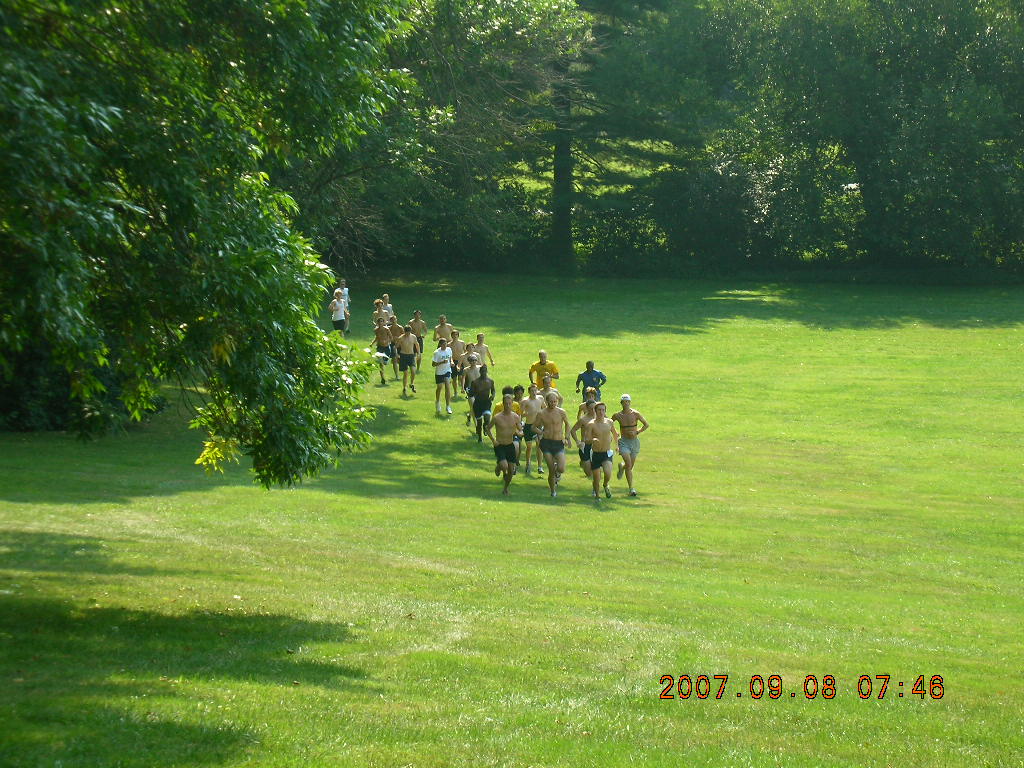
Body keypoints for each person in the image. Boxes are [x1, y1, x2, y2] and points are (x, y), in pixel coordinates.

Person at [533, 391, 570, 497]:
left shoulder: (561, 412)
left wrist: (566, 437)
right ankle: (553, 491)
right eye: (551, 401)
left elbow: (567, 424)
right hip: (546, 443)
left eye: (555, 401)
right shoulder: (541, 413)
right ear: (546, 401)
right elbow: (533, 427)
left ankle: (558, 473)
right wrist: (541, 432)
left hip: (558, 442)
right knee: (551, 469)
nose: (553, 403)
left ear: (557, 401)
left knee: (561, 468)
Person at [486, 389, 523, 496]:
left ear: (512, 404)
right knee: (505, 466)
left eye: (509, 403)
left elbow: (520, 430)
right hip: (500, 445)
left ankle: (505, 488)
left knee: (511, 470)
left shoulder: (515, 417)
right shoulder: (497, 417)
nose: (508, 406)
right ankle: (499, 466)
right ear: (503, 404)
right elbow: (488, 429)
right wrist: (493, 440)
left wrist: (518, 433)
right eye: (506, 404)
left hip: (510, 445)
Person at [612, 393, 650, 497]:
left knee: (629, 466)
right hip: (623, 442)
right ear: (621, 403)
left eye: (627, 402)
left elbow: (646, 425)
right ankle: (631, 488)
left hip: (634, 442)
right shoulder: (617, 415)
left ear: (630, 402)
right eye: (624, 402)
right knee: (629, 464)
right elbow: (609, 423)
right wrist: (615, 432)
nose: (626, 404)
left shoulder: (636, 414)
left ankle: (622, 466)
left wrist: (637, 432)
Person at [587, 401, 619, 499]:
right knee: (596, 478)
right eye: (599, 410)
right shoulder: (591, 424)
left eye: (603, 410)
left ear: (605, 411)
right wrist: (593, 440)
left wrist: (617, 445)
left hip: (607, 453)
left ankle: (605, 485)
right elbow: (586, 439)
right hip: (596, 453)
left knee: (608, 472)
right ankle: (597, 496)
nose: (601, 412)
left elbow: (615, 434)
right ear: (595, 411)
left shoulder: (609, 422)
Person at [520, 383, 545, 475]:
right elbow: (520, 414)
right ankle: (528, 464)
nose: (534, 392)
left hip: (538, 425)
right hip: (529, 426)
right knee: (529, 447)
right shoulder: (525, 401)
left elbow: (545, 409)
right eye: (532, 391)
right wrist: (526, 414)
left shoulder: (540, 398)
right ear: (529, 392)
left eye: (535, 390)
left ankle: (540, 466)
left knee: (540, 445)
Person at [570, 399, 598, 480]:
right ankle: (584, 463)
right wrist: (577, 441)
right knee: (589, 473)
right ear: (587, 408)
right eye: (591, 408)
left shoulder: (599, 418)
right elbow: (573, 430)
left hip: (596, 446)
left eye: (594, 408)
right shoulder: (583, 420)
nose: (593, 410)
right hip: (585, 446)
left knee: (596, 472)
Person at [467, 365, 495, 442]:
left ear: (487, 371)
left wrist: (493, 395)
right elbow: (471, 394)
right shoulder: (475, 382)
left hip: (487, 403)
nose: (483, 373)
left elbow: (493, 390)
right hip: (478, 404)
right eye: (482, 371)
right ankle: (480, 438)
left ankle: (485, 426)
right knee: (479, 423)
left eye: (485, 371)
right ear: (480, 372)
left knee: (487, 419)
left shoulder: (490, 381)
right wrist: (469, 392)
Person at [395, 325, 421, 396]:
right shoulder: (401, 338)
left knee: (413, 370)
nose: (407, 334)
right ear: (404, 332)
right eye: (406, 332)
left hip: (411, 355)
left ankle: (412, 383)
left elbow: (417, 344)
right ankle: (404, 388)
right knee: (405, 373)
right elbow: (396, 347)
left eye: (409, 332)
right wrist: (397, 355)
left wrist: (418, 353)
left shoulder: (413, 337)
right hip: (403, 356)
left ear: (410, 331)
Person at [432, 338, 454, 414]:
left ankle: (448, 406)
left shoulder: (449, 349)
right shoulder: (437, 352)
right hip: (439, 372)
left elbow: (450, 358)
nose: (445, 345)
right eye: (443, 344)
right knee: (439, 387)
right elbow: (433, 364)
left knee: (447, 386)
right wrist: (442, 362)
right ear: (440, 344)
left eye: (446, 344)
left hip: (447, 371)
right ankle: (437, 402)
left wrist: (451, 362)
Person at [461, 353, 482, 425]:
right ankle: (477, 426)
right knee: (473, 407)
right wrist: (462, 388)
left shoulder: (480, 368)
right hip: (470, 390)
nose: (474, 362)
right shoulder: (466, 370)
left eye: (475, 360)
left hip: (479, 389)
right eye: (472, 360)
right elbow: (463, 379)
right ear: (469, 362)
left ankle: (469, 416)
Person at [371, 317, 392, 385]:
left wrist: (387, 341)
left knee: (385, 362)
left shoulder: (387, 329)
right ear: (377, 323)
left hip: (386, 347)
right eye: (379, 322)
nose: (380, 323)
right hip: (379, 347)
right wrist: (372, 343)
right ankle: (382, 378)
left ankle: (386, 360)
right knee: (380, 363)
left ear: (384, 322)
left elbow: (391, 337)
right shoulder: (376, 330)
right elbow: (377, 337)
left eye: (382, 321)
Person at [448, 330, 467, 397]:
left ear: (458, 335)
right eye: (453, 335)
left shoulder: (462, 343)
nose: (455, 336)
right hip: (453, 362)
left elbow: (465, 352)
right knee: (454, 378)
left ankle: (462, 388)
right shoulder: (449, 344)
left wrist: (465, 360)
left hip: (461, 361)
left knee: (461, 376)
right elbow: (449, 355)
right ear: (451, 336)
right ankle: (455, 392)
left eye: (456, 334)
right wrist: (451, 362)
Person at [386, 315, 402, 380]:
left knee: (400, 359)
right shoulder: (388, 328)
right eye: (392, 320)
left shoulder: (400, 327)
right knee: (394, 359)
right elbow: (386, 336)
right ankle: (397, 375)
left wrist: (398, 338)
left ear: (396, 320)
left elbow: (404, 335)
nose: (393, 321)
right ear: (390, 321)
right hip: (392, 344)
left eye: (394, 319)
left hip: (399, 344)